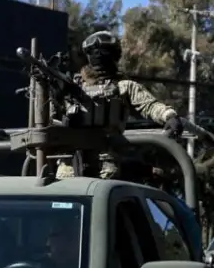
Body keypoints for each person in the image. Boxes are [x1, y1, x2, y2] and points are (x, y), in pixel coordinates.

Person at [55, 29, 184, 180]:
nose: (98, 55)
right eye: (93, 51)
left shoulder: (124, 86)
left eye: (103, 51)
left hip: (105, 163)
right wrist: (53, 92)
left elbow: (150, 105)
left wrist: (169, 116)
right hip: (69, 164)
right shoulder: (73, 86)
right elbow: (52, 115)